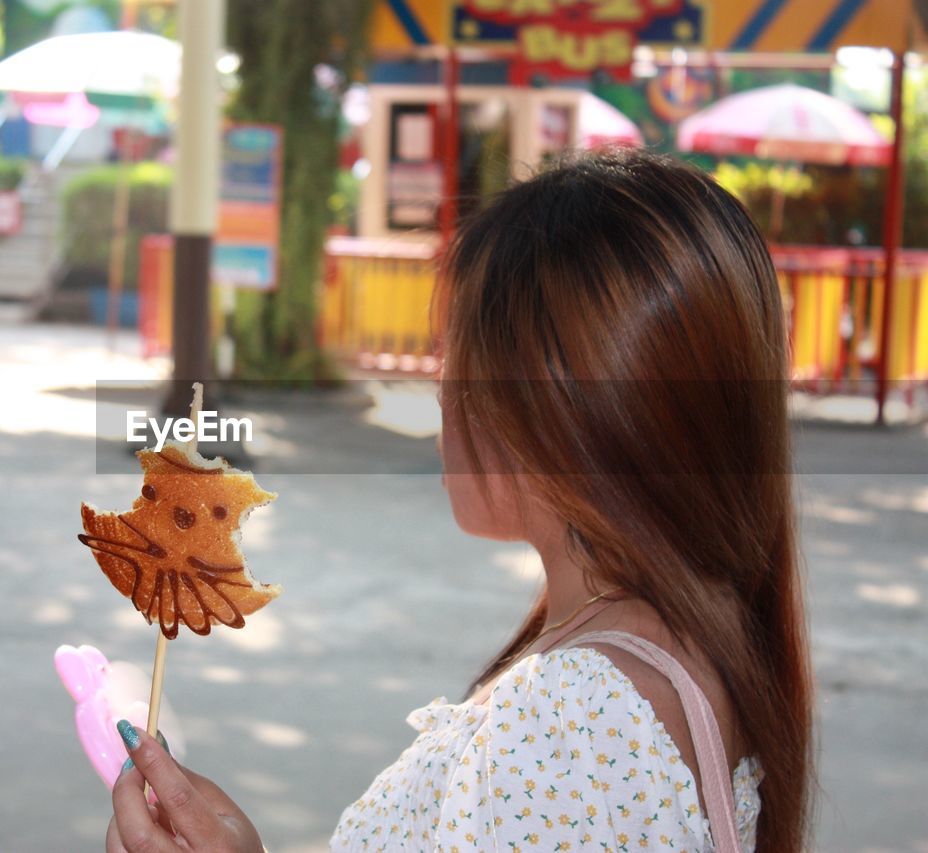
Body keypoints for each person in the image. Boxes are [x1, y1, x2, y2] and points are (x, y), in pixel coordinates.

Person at [104, 149, 813, 852]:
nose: (444, 391)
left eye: (457, 354)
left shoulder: (566, 725)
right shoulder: (690, 639)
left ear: (553, 408)